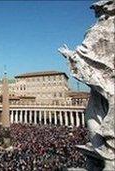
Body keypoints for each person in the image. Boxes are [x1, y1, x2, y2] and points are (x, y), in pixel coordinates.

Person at [59, 0, 115, 169]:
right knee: (95, 117)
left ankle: (109, 160)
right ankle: (107, 159)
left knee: (94, 117)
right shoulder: (102, 28)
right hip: (104, 87)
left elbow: (86, 55)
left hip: (107, 86)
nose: (96, 12)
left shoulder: (102, 29)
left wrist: (71, 55)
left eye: (98, 9)